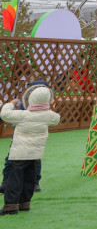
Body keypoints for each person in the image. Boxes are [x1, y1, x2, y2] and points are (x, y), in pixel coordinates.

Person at [1, 82, 59, 215]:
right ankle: (24, 204)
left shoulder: (23, 115)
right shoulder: (48, 116)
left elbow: (5, 114)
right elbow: (57, 119)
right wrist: (50, 107)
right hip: (36, 153)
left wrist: (11, 103)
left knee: (15, 179)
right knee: (29, 179)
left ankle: (10, 207)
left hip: (20, 153)